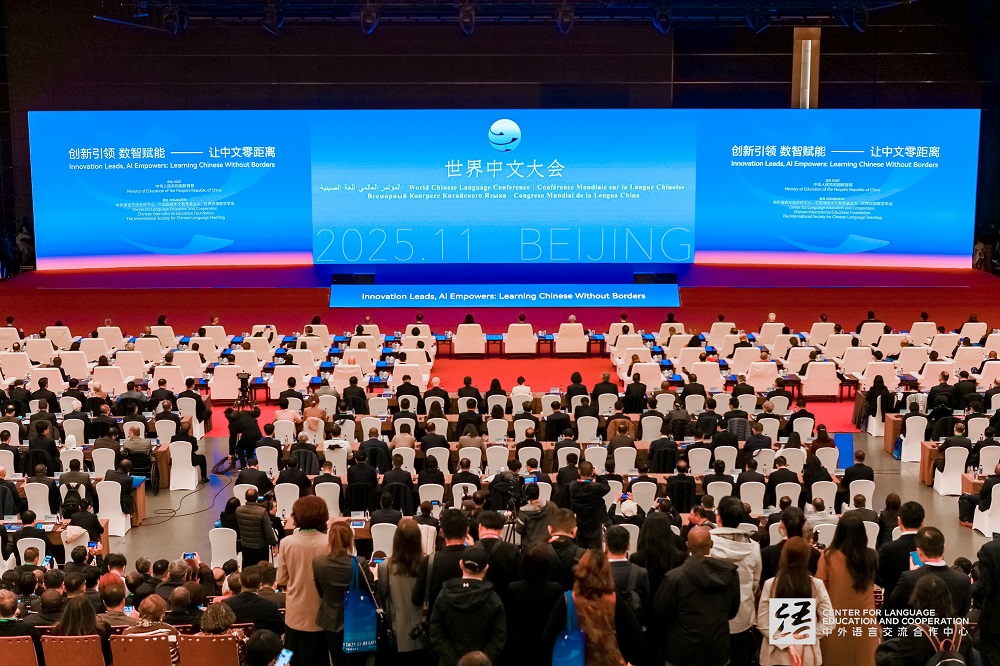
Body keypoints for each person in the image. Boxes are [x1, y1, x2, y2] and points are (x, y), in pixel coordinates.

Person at [654, 526, 740, 666]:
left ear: (687, 545)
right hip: (717, 648)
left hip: (682, 650)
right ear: (711, 544)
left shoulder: (675, 577)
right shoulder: (729, 574)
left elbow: (661, 612)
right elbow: (732, 612)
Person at [756, 537, 834, 666]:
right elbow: (829, 623)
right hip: (806, 652)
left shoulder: (771, 584)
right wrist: (804, 635)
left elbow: (763, 623)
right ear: (806, 558)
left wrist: (786, 642)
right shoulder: (816, 585)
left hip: (776, 653)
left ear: (784, 556)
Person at [817, 513, 879, 665]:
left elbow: (819, 590)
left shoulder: (828, 557)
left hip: (836, 619)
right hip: (865, 620)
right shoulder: (871, 556)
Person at [430, 546, 507, 666]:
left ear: (461, 564)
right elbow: (499, 637)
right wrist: (480, 660)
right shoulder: (493, 599)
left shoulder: (444, 596)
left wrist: (456, 661)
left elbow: (436, 634)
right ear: (486, 568)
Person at [278, 496, 331, 666]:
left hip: (295, 613)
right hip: (323, 613)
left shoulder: (286, 543)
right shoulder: (330, 542)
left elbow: (281, 578)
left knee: (289, 658)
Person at [313, 521, 374, 666]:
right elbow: (371, 588)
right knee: (357, 661)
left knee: (337, 659)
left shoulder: (318, 563)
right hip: (356, 618)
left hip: (330, 617)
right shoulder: (359, 563)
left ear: (330, 540)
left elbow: (320, 590)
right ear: (350, 540)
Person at [710, 496, 762, 665]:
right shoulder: (754, 547)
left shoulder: (705, 542)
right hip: (743, 614)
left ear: (718, 517)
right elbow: (755, 582)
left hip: (712, 615)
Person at [884, 526, 971, 618]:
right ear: (944, 549)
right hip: (948, 626)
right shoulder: (963, 580)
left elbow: (892, 607)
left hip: (915, 626)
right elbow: (963, 613)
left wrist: (913, 575)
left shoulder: (908, 578)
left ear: (919, 552)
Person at [503, 544, 563, 666]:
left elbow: (510, 620)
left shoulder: (513, 588)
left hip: (520, 644)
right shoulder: (555, 589)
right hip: (546, 645)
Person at [413, 508, 469, 614]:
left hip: (437, 619)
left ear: (441, 531)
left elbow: (417, 599)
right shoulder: (475, 559)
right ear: (467, 531)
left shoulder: (430, 561)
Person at [223, 565, 284, 634]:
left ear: (240, 581)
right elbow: (280, 629)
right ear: (260, 585)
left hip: (236, 640)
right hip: (262, 640)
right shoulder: (270, 606)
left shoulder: (226, 604)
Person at [123, 594, 181, 664]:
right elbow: (183, 654)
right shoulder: (171, 632)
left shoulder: (127, 634)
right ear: (161, 614)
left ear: (140, 611)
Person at [54, 595, 112, 663]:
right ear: (91, 612)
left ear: (67, 612)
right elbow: (107, 657)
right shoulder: (103, 630)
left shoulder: (57, 631)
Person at [566, 461, 610, 548]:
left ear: (579, 471)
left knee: (581, 552)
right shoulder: (596, 487)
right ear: (592, 472)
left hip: (579, 523)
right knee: (595, 553)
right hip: (594, 524)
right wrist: (597, 475)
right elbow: (606, 487)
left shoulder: (571, 486)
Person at [235, 488, 278, 565]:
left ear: (245, 497)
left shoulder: (238, 510)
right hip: (260, 547)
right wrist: (274, 544)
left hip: (245, 546)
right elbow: (268, 531)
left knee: (248, 569)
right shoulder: (262, 512)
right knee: (261, 569)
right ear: (257, 497)